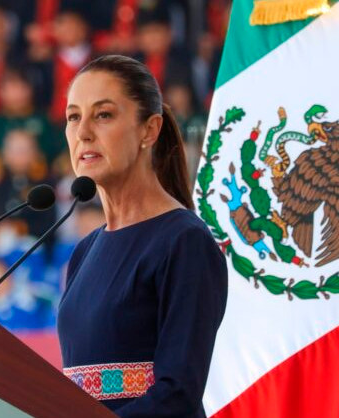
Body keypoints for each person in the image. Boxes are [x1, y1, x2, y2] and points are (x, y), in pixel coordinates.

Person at [57, 55, 227, 417]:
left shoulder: (184, 241)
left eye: (103, 115)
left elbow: (178, 393)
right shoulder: (84, 252)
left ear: (149, 130)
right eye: (73, 116)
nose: (83, 131)